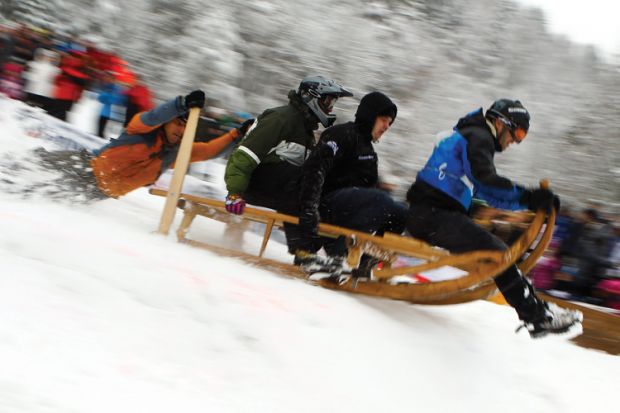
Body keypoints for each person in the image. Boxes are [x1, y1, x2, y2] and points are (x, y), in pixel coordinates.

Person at [406, 99, 583, 338]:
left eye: (522, 137)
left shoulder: (471, 136)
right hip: (433, 215)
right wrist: (530, 198)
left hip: (432, 214)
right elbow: (487, 182)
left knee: (497, 249)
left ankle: (536, 309)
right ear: (500, 123)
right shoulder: (478, 137)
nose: (515, 142)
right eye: (517, 133)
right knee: (497, 251)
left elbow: (487, 193)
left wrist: (530, 203)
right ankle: (536, 316)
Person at [32, 90, 253, 201]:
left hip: (97, 192)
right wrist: (182, 104)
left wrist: (236, 135)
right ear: (167, 122)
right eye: (178, 123)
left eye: (186, 128)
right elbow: (155, 115)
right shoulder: (140, 129)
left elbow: (208, 151)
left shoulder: (175, 154)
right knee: (27, 168)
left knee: (40, 198)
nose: (181, 131)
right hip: (82, 166)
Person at [223, 75, 353, 254]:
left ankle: (335, 254)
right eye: (328, 102)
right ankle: (303, 251)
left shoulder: (305, 130)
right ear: (312, 97)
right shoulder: (281, 119)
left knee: (321, 184)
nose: (330, 108)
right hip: (254, 184)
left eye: (332, 103)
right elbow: (244, 155)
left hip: (279, 187)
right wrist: (234, 193)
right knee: (305, 180)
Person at [296, 91, 408, 275]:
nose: (387, 126)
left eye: (390, 122)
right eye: (384, 120)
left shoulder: (370, 153)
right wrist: (308, 209)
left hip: (348, 210)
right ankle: (338, 256)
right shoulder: (340, 135)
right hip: (323, 206)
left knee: (401, 212)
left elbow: (369, 191)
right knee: (380, 200)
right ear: (370, 115)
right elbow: (314, 170)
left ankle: (366, 263)